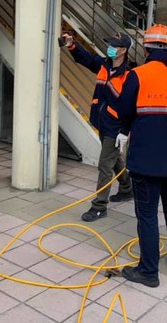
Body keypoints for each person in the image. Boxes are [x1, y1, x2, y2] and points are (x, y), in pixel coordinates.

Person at [116, 24, 167, 288]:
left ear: (146, 48)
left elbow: (124, 110)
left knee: (147, 213)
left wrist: (124, 131)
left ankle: (148, 271)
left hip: (146, 157)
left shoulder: (137, 75)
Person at [61, 31, 133, 222]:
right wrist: (72, 44)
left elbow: (131, 106)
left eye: (114, 45)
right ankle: (127, 188)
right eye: (109, 43)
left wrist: (125, 130)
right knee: (113, 158)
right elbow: (86, 58)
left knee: (104, 165)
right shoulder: (104, 65)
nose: (110, 47)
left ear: (124, 50)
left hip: (115, 127)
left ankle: (99, 206)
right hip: (102, 122)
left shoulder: (129, 75)